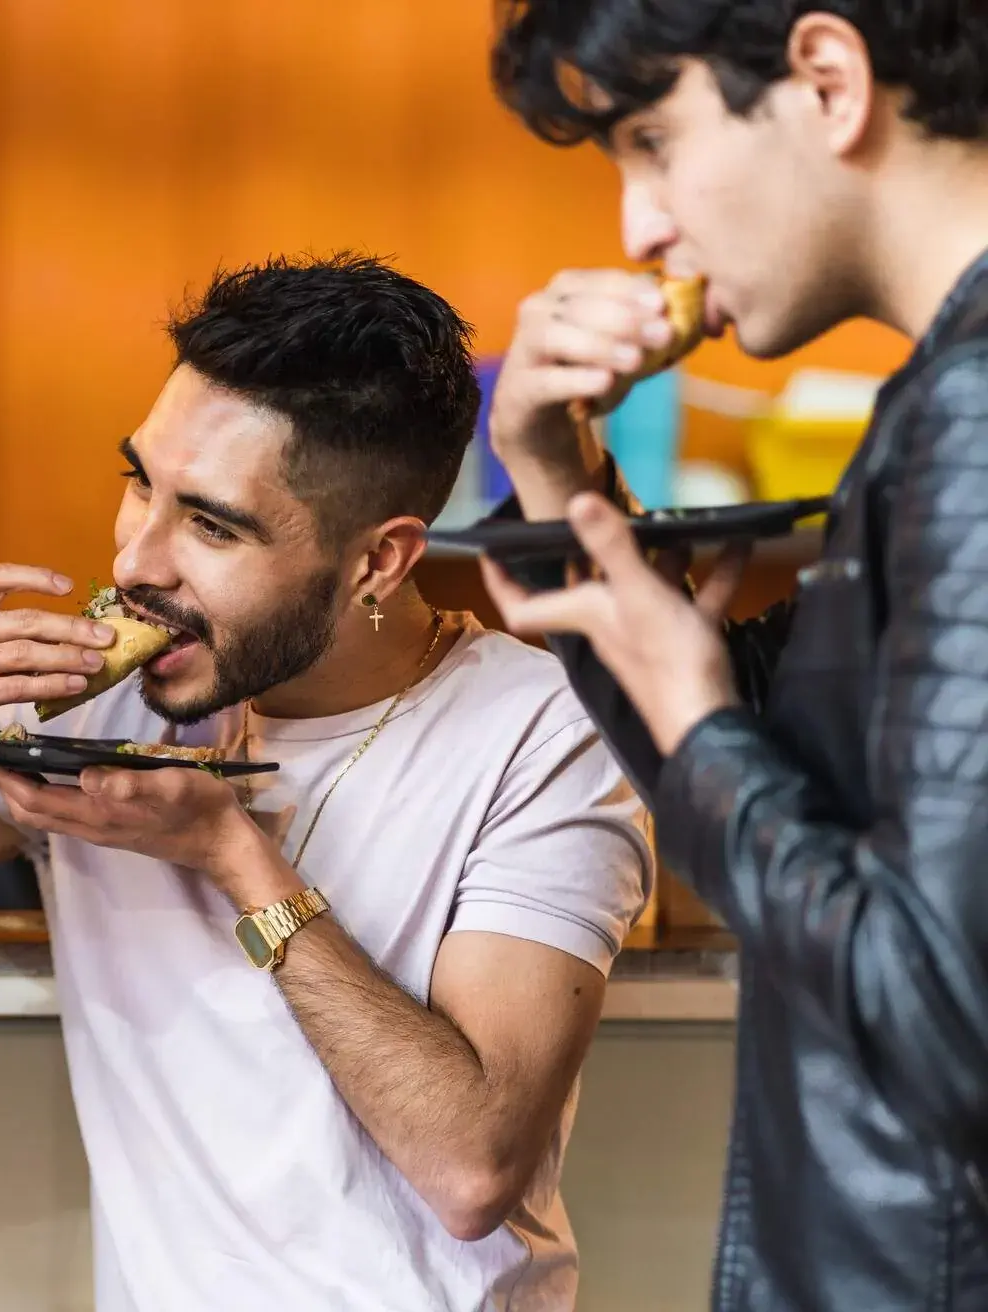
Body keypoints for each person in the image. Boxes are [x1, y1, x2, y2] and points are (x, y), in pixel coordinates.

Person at [0, 254, 653, 1311]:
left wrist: (230, 852)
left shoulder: (543, 731)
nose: (136, 561)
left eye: (212, 525)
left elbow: (472, 1167)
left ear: (379, 563)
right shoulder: (109, 706)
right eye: (140, 483)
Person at [483, 4, 988, 1308]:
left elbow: (948, 1022)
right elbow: (812, 779)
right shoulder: (934, 398)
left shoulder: (974, 418)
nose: (638, 230)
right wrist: (548, 471)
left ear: (827, 80)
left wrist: (702, 726)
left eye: (653, 141)